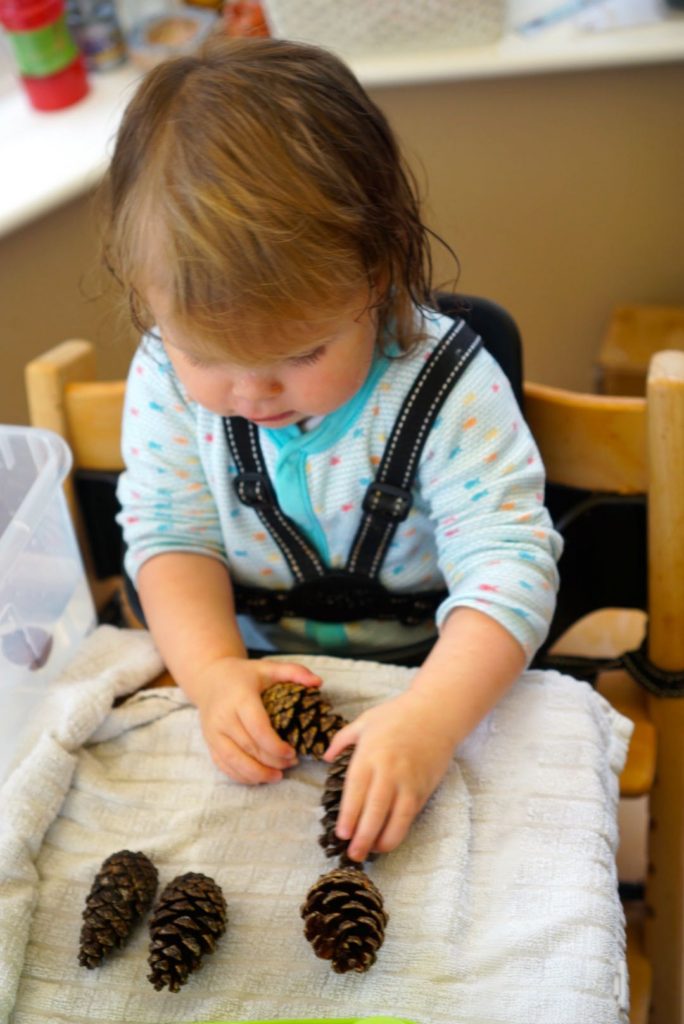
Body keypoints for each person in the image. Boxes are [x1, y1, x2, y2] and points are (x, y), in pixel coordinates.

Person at [104, 35, 562, 865]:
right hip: (252, 671)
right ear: (148, 302)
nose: (251, 396)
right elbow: (169, 537)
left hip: (440, 676)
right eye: (206, 355)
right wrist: (210, 674)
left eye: (301, 355)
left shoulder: (451, 388)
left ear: (378, 277)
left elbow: (512, 563)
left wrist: (430, 717)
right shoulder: (162, 381)